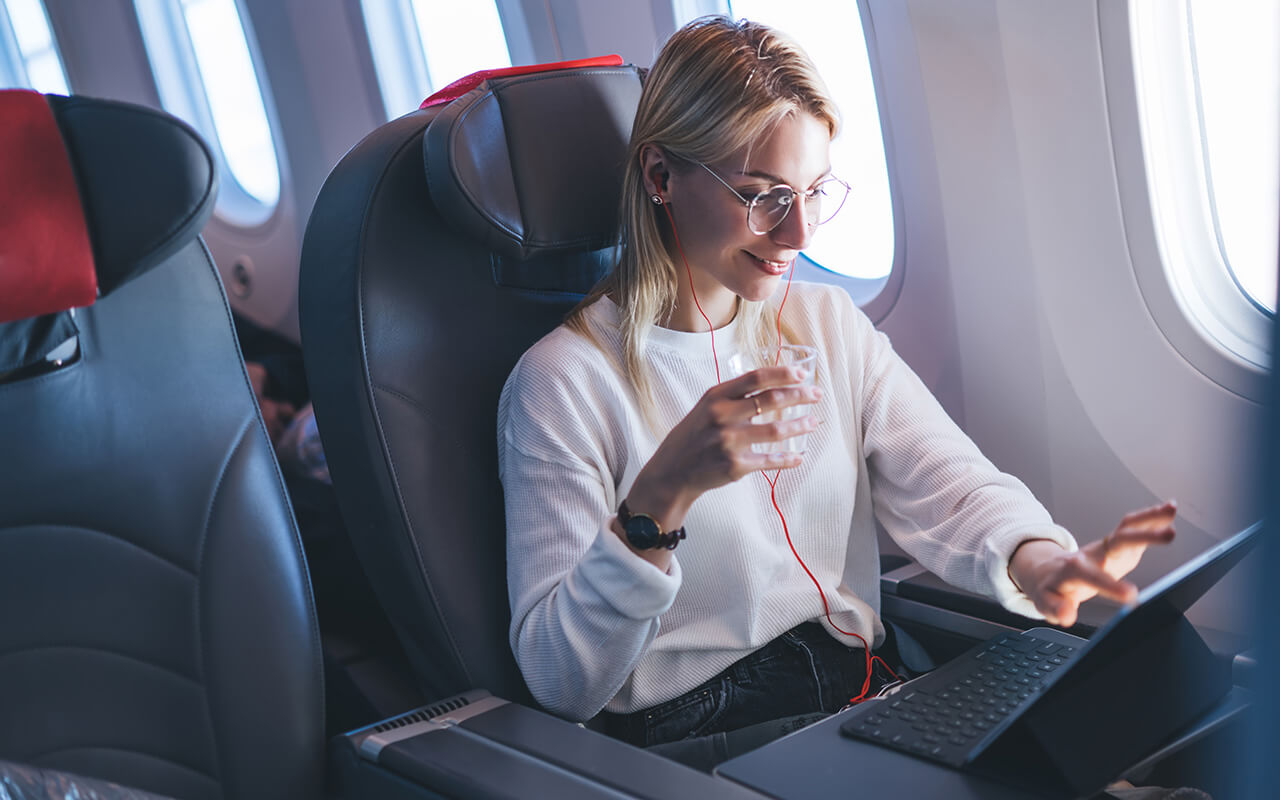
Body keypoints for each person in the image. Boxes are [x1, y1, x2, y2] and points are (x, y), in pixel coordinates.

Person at [496, 15, 1175, 767]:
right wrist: (661, 497)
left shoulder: (825, 324)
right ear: (660, 177)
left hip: (864, 694)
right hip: (702, 742)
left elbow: (947, 482)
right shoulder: (563, 383)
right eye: (761, 196)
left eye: (813, 191)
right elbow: (561, 682)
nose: (797, 236)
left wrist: (1040, 561)